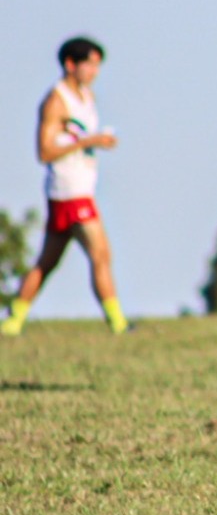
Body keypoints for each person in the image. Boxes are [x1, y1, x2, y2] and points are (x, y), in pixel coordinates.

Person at [4, 37, 128, 336]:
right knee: (101, 254)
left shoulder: (87, 97)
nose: (95, 71)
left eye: (98, 65)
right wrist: (90, 141)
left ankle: (13, 320)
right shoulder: (56, 101)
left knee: (46, 262)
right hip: (69, 191)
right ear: (70, 64)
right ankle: (118, 323)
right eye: (90, 64)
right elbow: (44, 152)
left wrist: (95, 143)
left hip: (78, 189)